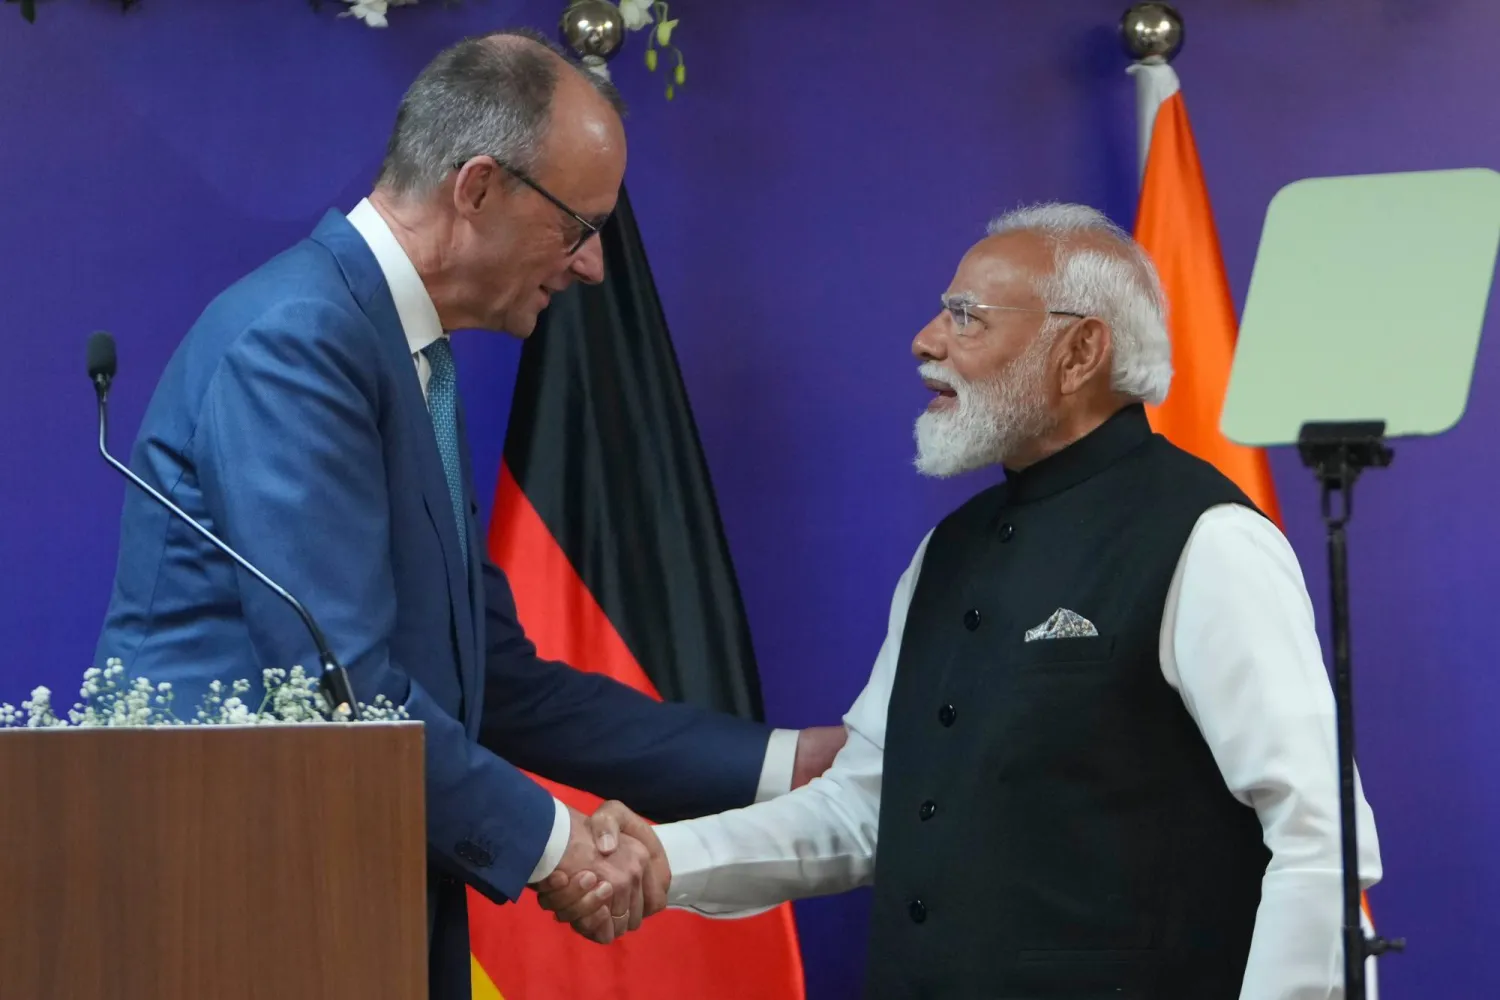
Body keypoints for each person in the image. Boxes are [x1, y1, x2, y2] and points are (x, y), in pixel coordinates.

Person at [92, 29, 845, 1000]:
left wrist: (785, 762)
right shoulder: (301, 339)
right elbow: (345, 695)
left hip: (358, 899)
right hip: (243, 905)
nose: (593, 267)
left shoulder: (406, 361)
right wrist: (568, 846)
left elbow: (497, 683)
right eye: (580, 225)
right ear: (479, 187)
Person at [537, 203, 1384, 999]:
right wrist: (660, 859)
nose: (925, 341)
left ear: (1080, 352)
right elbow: (868, 805)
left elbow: (1320, 838)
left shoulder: (1209, 540)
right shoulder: (949, 550)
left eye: (967, 316)